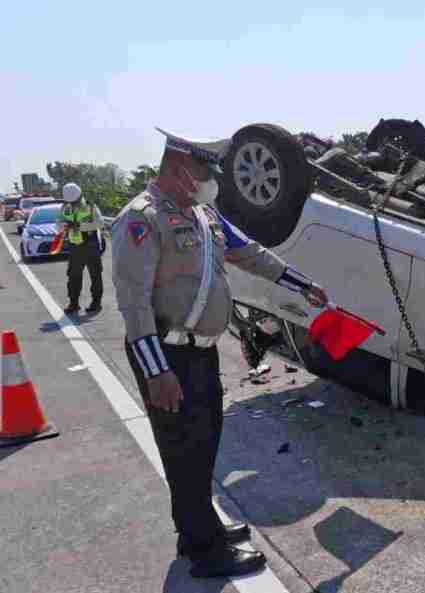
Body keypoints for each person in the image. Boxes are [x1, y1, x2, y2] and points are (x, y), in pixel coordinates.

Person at [110, 127, 329, 578]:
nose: (212, 177)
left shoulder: (204, 215)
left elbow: (250, 253)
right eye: (204, 168)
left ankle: (198, 529)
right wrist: (156, 373)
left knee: (204, 444)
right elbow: (133, 306)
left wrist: (302, 285)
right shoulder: (141, 219)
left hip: (201, 353)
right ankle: (204, 552)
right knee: (183, 453)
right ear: (177, 168)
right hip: (166, 357)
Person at [60, 182, 105, 315]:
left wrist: (79, 226)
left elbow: (100, 223)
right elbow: (58, 223)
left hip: (91, 246)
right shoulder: (65, 208)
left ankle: (96, 303)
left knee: (95, 276)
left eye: (75, 201)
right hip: (75, 247)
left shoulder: (91, 207)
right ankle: (74, 303)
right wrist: (64, 225)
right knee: (73, 277)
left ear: (80, 196)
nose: (73, 203)